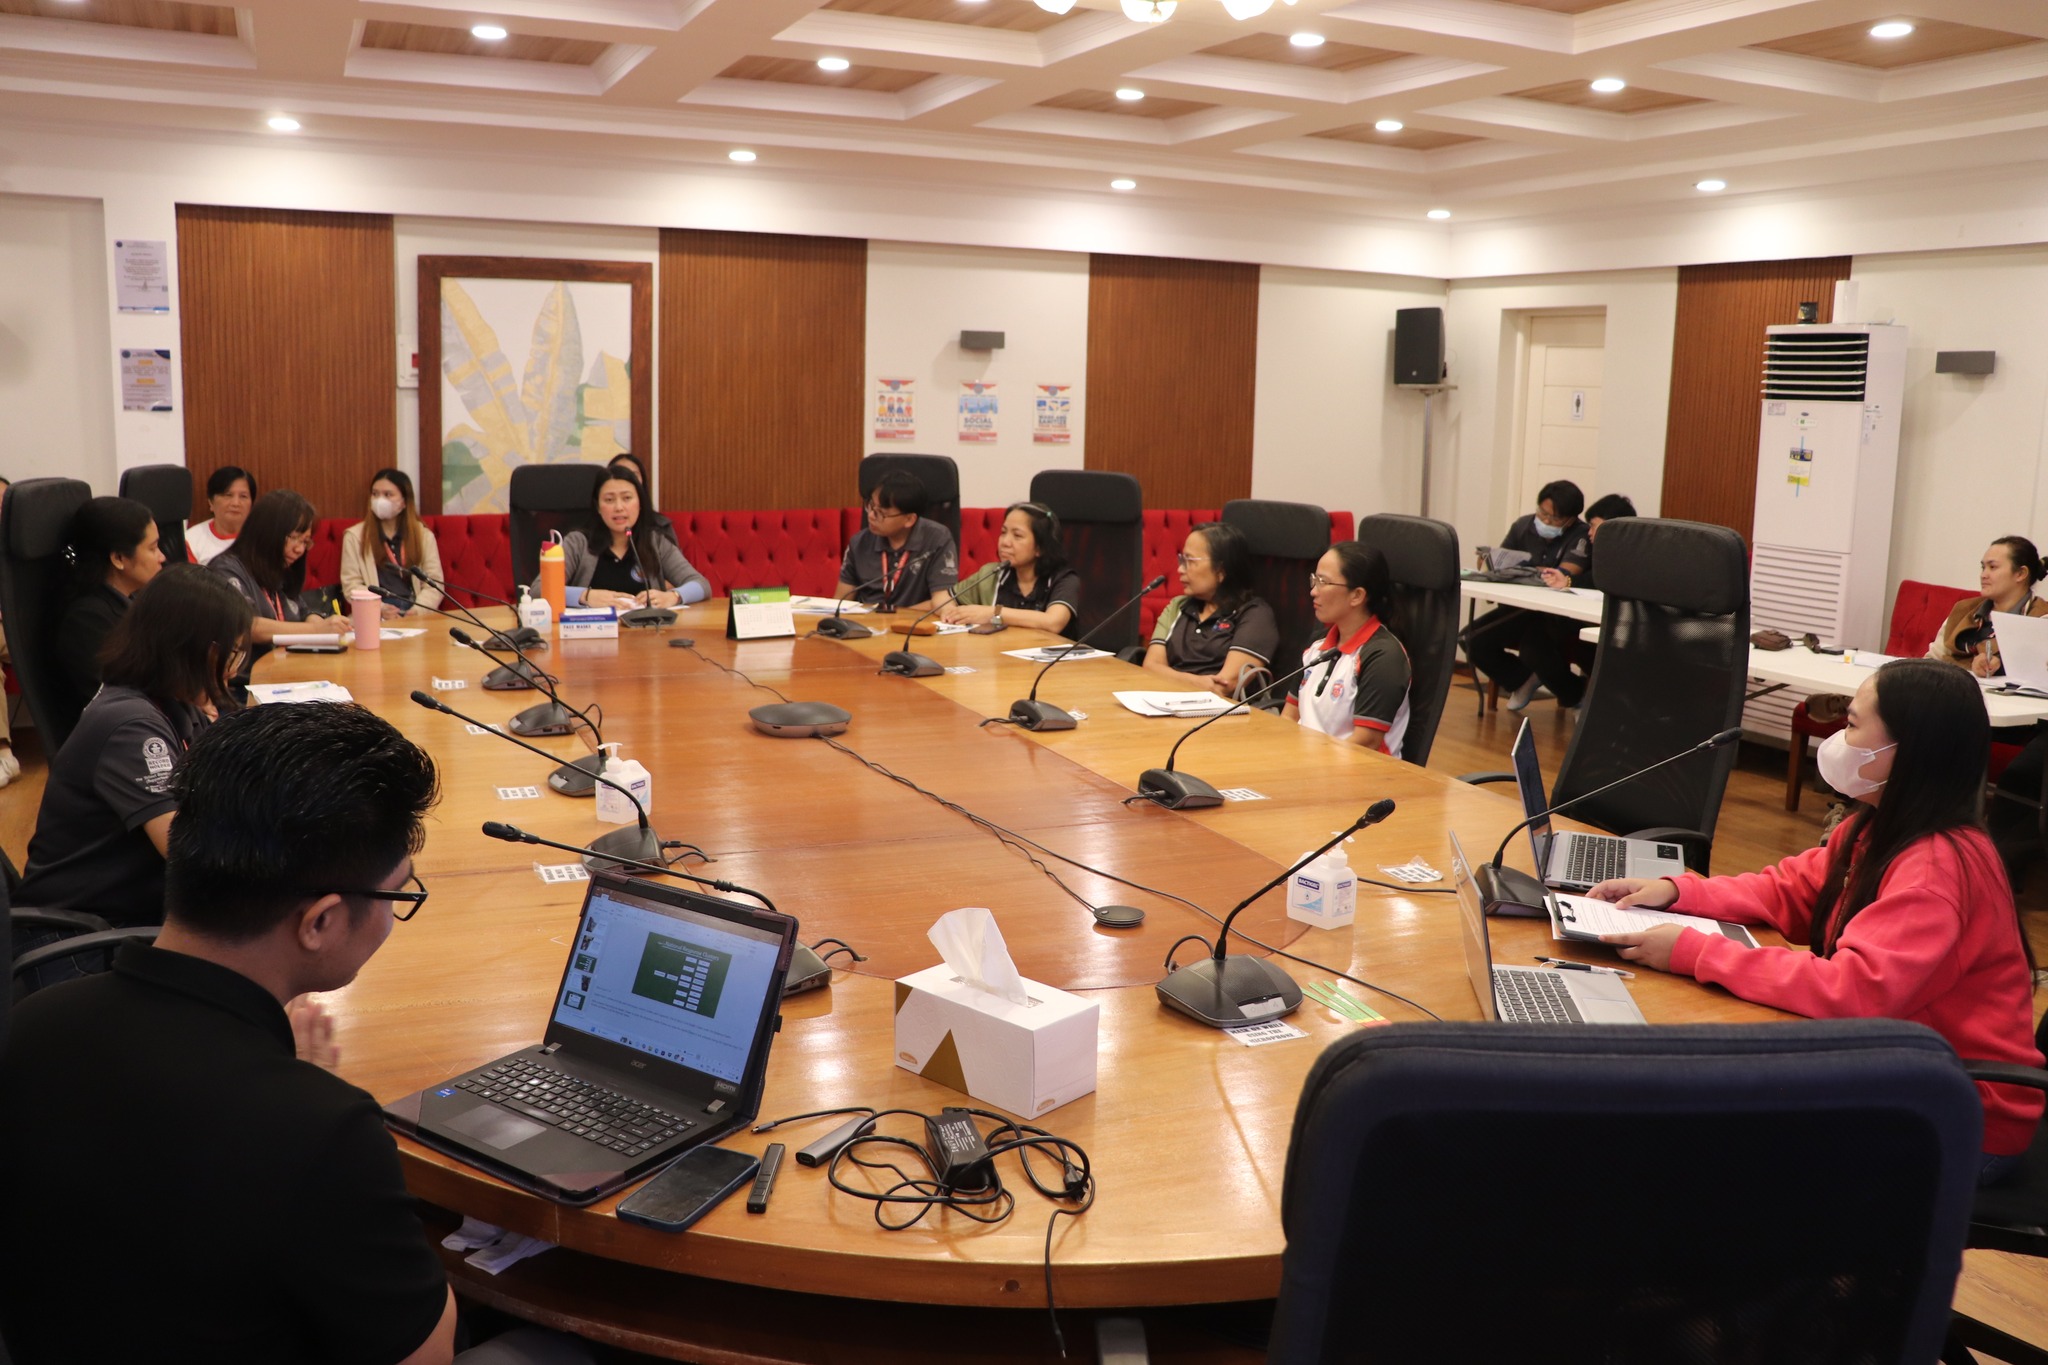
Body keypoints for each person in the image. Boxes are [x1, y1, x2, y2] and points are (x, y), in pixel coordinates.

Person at [0, 702, 595, 1365]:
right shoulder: (319, 1131)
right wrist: (310, 1104)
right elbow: (426, 1354)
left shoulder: (33, 1025)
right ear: (320, 922)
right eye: (400, 895)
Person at [1590, 657, 2043, 1183]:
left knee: (1714, 1140)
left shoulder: (1935, 870)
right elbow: (1790, 889)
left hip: (1956, 1119)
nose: (1837, 740)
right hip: (1902, 1076)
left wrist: (1694, 951)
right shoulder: (1877, 827)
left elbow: (1854, 992)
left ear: (1906, 751)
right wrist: (1677, 891)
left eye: (1851, 725)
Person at [15, 564, 249, 929]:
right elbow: (187, 850)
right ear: (198, 650)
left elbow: (229, 780)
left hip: (130, 920)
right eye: (232, 654)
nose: (232, 671)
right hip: (81, 936)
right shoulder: (130, 725)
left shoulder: (173, 704)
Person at [1461, 479, 1589, 712]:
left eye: (1554, 519)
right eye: (1542, 513)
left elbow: (1566, 573)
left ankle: (1576, 696)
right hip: (1518, 609)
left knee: (1534, 650)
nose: (1546, 521)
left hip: (1554, 616)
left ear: (1570, 519)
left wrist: (1533, 572)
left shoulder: (1581, 535)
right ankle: (1522, 679)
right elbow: (1498, 561)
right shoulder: (1523, 525)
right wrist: (1488, 561)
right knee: (1470, 639)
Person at [1281, 541, 1411, 755]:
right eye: (1314, 580)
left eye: (1323, 582)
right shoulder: (1316, 645)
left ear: (1357, 595)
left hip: (1358, 770)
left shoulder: (1384, 657)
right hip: (1305, 763)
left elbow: (1366, 742)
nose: (1313, 591)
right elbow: (1289, 716)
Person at [533, 470, 708, 611]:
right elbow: (538, 590)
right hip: (593, 636)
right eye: (609, 500)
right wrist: (586, 596)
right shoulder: (578, 543)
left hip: (647, 635)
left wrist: (673, 596)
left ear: (640, 503)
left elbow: (701, 584)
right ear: (598, 506)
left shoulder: (655, 542)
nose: (619, 507)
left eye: (627, 498)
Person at [1142, 521, 1280, 697]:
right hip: (1163, 700)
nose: (1180, 569)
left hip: (1219, 710)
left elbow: (1224, 687)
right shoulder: (1178, 606)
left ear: (1221, 571)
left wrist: (1170, 676)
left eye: (1190, 561)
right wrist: (1197, 682)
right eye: (1182, 560)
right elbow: (1150, 667)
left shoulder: (1255, 614)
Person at [56, 495, 164, 713]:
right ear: (119, 559)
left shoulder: (135, 600)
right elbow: (121, 701)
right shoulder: (88, 621)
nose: (162, 557)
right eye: (152, 549)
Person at [210, 489, 340, 652]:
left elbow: (303, 611)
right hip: (250, 668)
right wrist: (315, 630)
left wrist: (320, 623)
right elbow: (246, 626)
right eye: (294, 538)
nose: (299, 549)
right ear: (267, 532)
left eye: (305, 541)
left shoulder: (277, 568)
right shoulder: (226, 569)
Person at [938, 501, 1081, 635]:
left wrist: (993, 613)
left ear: (1040, 547)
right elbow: (944, 597)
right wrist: (950, 612)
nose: (1005, 542)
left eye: (1017, 535)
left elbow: (1053, 622)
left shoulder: (1063, 579)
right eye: (1003, 532)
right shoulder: (993, 573)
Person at [835, 470, 959, 611]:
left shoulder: (937, 540)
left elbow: (942, 601)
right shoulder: (859, 543)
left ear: (909, 519)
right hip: (867, 620)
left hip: (915, 621)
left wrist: (897, 616)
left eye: (881, 513)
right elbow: (840, 603)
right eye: (871, 506)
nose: (871, 516)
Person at [1928, 535, 2048, 677]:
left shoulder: (2041, 618)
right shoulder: (1963, 610)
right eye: (1983, 567)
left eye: (1992, 567)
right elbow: (1931, 661)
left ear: (2020, 574)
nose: (1983, 575)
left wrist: (1999, 666)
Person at [341, 468, 445, 619]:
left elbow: (434, 584)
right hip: (376, 614)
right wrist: (380, 608)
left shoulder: (424, 536)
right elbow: (351, 585)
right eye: (375, 494)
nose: (379, 500)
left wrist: (417, 611)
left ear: (404, 502)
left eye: (388, 494)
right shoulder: (354, 537)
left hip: (415, 611)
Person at [1543, 492, 1635, 591]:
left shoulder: (1632, 561)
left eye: (1593, 526)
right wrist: (1567, 581)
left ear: (1613, 527)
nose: (1589, 532)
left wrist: (1568, 581)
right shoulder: (1603, 555)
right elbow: (1592, 579)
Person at [185, 464, 257, 565]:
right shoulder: (192, 541)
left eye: (243, 496)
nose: (236, 503)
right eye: (228, 495)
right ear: (211, 502)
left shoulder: (265, 538)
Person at [605, 453, 679, 547]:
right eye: (621, 474)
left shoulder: (660, 526)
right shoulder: (590, 532)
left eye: (633, 475)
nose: (628, 479)